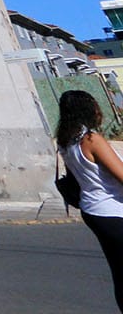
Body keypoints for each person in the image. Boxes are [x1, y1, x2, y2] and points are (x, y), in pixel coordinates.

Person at [57, 89, 123, 311]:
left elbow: (75, 179)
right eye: (95, 105)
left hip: (93, 211)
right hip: (113, 211)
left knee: (119, 270)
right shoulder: (92, 139)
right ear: (87, 109)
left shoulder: (66, 142)